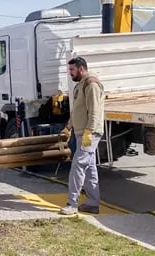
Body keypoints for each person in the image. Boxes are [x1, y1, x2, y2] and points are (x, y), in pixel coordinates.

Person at [59, 56, 105, 215]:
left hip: (89, 133)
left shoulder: (91, 84)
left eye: (72, 70)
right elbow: (78, 110)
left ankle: (71, 204)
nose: (70, 73)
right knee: (90, 168)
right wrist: (68, 126)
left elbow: (95, 112)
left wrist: (89, 131)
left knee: (78, 165)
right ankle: (92, 203)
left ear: (81, 68)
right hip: (81, 132)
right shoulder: (81, 84)